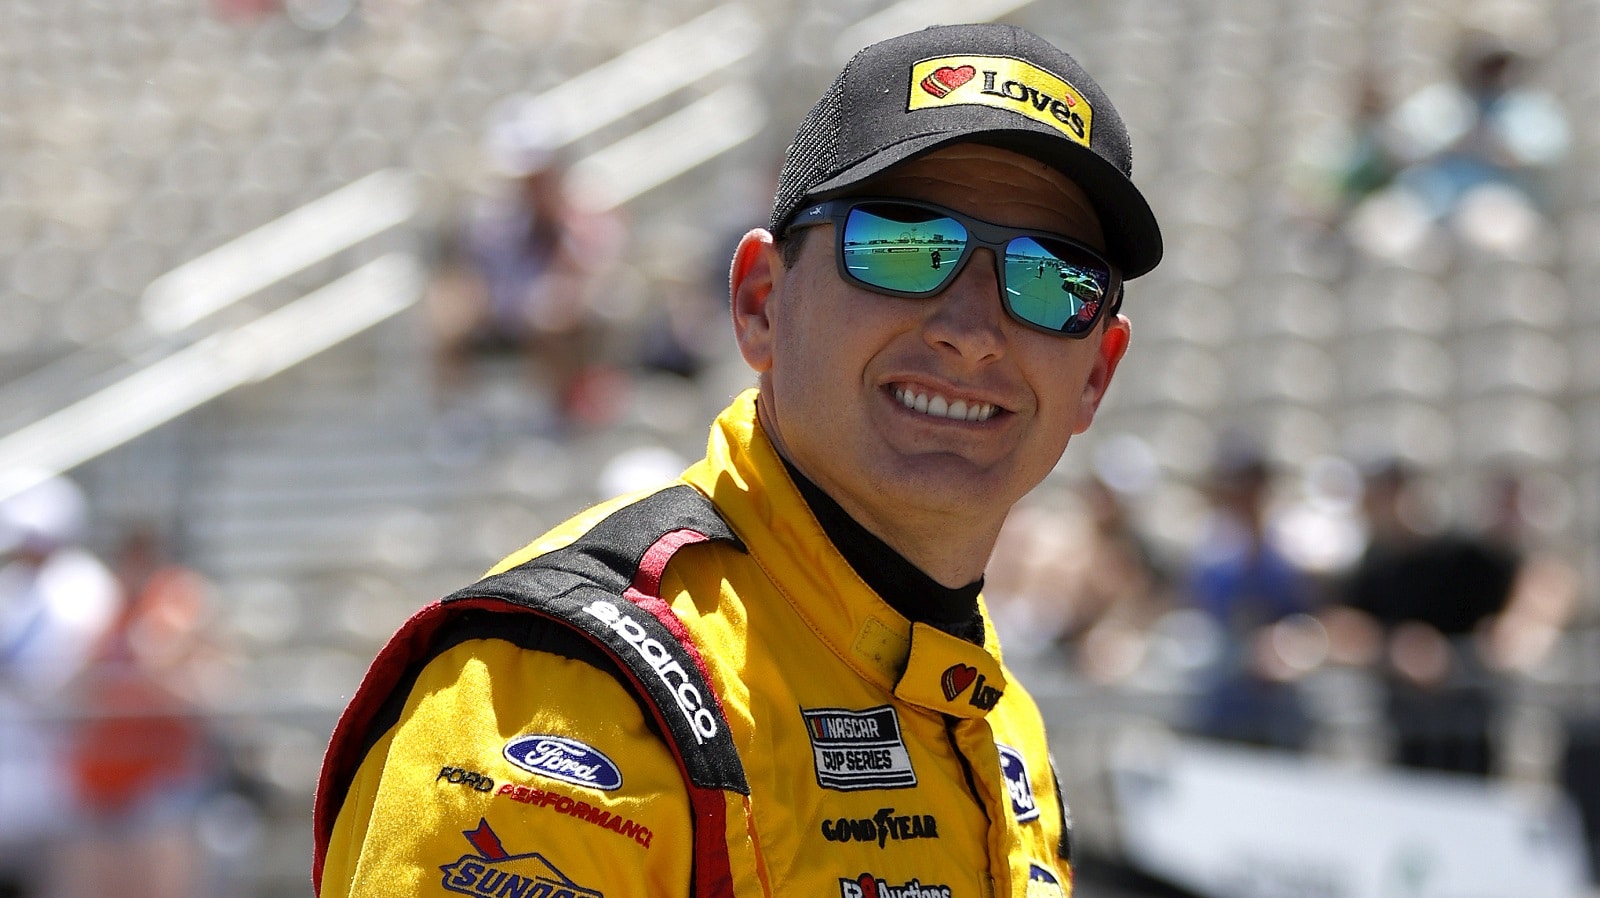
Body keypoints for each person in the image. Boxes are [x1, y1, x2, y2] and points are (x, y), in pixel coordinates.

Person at [314, 23, 1161, 898]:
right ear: (760, 303)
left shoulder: (998, 716)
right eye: (902, 245)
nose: (973, 331)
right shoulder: (562, 693)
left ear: (1096, 374)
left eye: (1054, 281)